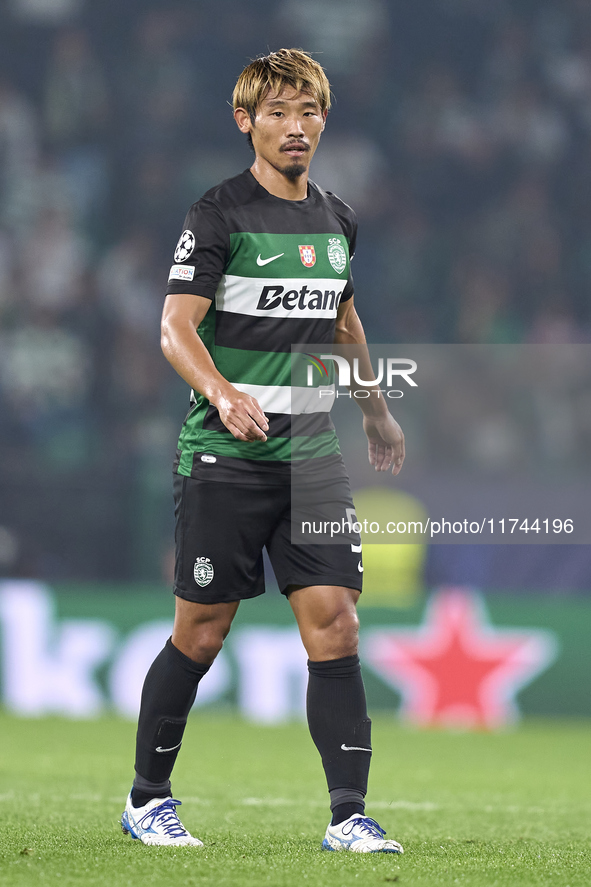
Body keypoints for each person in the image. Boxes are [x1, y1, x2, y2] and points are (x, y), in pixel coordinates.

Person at [121, 48, 405, 853]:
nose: (296, 127)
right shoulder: (216, 214)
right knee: (202, 631)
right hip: (223, 451)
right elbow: (176, 327)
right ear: (245, 120)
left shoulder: (336, 217)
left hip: (310, 454)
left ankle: (348, 816)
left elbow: (343, 322)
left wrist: (376, 412)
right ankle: (147, 798)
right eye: (278, 112)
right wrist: (222, 390)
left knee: (336, 624)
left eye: (308, 111)